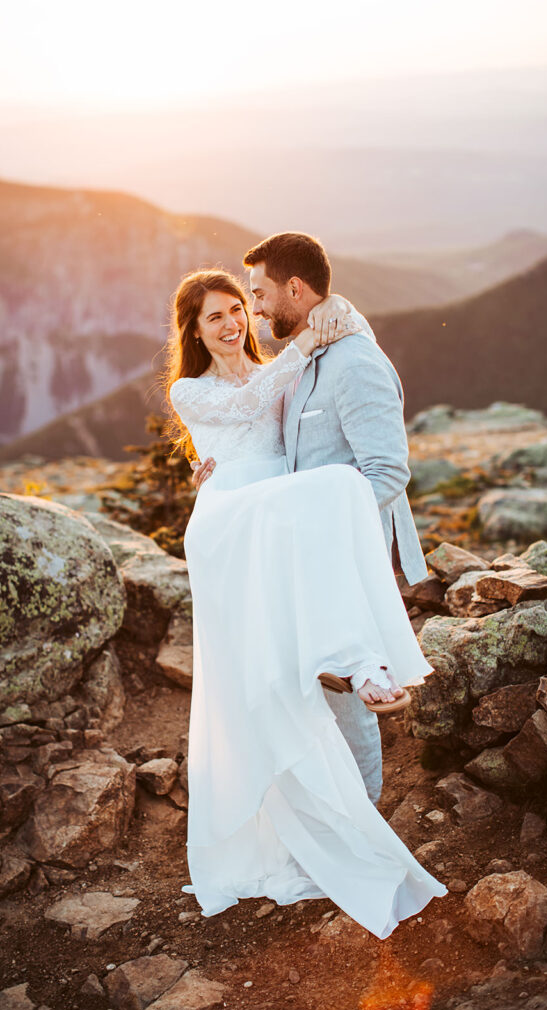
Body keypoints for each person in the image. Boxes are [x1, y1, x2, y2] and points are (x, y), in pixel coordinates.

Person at [165, 265, 445, 935]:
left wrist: (331, 339)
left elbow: (300, 426)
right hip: (234, 524)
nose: (233, 322)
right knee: (334, 490)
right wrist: (307, 342)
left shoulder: (276, 373)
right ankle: (359, 660)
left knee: (291, 664)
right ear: (194, 331)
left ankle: (350, 705)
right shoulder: (189, 388)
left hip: (275, 528)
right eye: (215, 316)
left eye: (238, 307)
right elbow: (235, 413)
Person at [191, 232, 428, 806]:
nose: (255, 310)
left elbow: (389, 473)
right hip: (282, 551)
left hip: (342, 554)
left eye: (257, 296)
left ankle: (363, 819)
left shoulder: (354, 360)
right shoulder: (295, 362)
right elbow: (251, 424)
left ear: (295, 289)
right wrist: (220, 483)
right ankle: (314, 807)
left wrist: (325, 525)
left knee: (347, 692)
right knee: (306, 687)